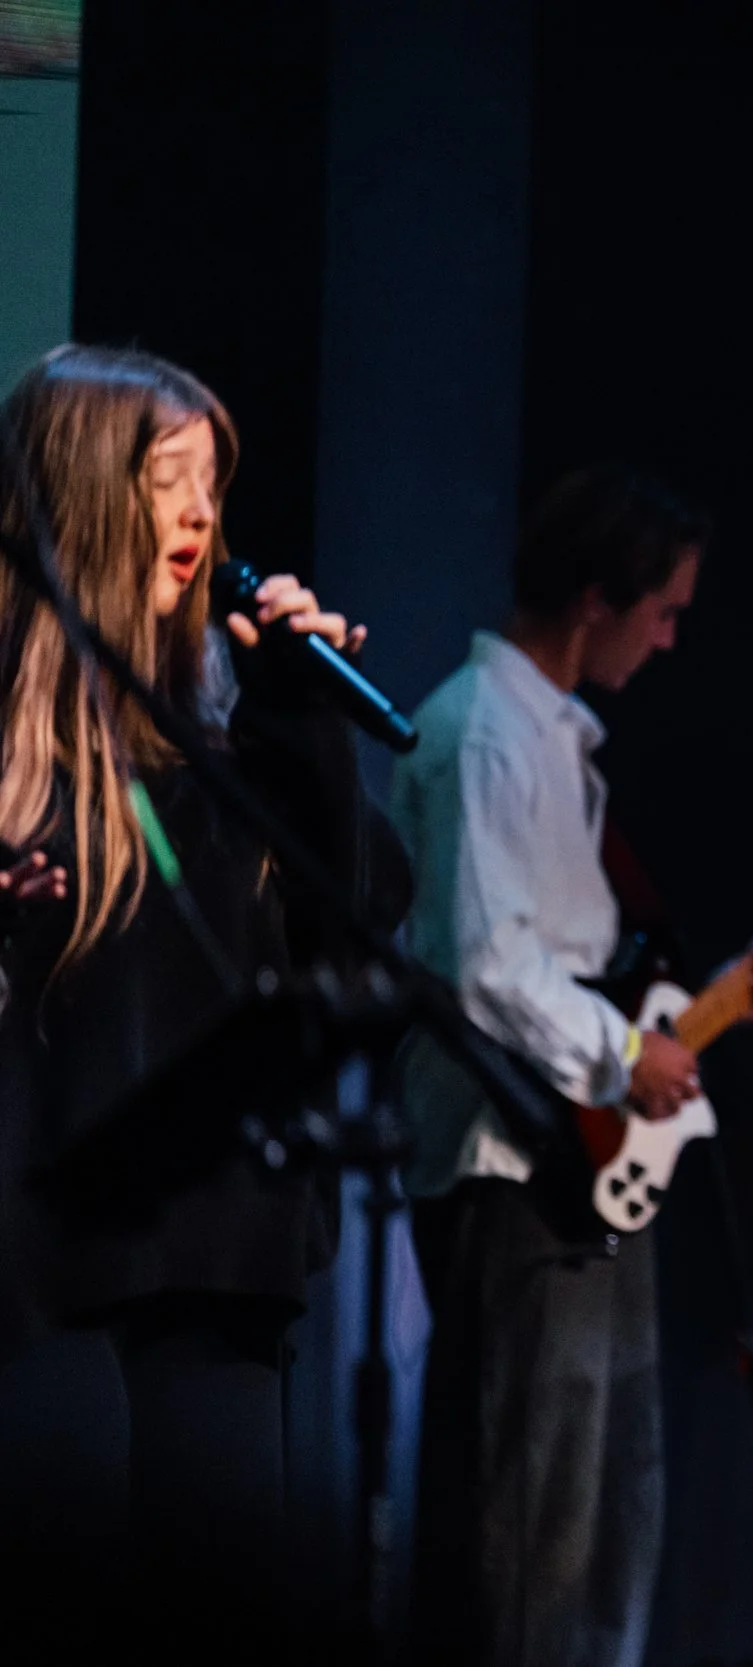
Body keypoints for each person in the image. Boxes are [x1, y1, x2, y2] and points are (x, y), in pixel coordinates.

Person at [0, 344, 407, 1654]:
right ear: (81, 492)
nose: (198, 513)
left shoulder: (227, 751)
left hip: (219, 1272)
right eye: (166, 477)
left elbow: (359, 925)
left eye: (210, 484)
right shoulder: (15, 759)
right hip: (39, 1283)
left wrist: (307, 721)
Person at [394, 464, 753, 1667]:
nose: (669, 636)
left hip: (574, 1167)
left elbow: (577, 966)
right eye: (662, 609)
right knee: (534, 1520)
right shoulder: (481, 729)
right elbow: (485, 964)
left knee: (612, 1504)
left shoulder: (556, 742)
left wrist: (690, 1012)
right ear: (594, 598)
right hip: (515, 1172)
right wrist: (628, 1049)